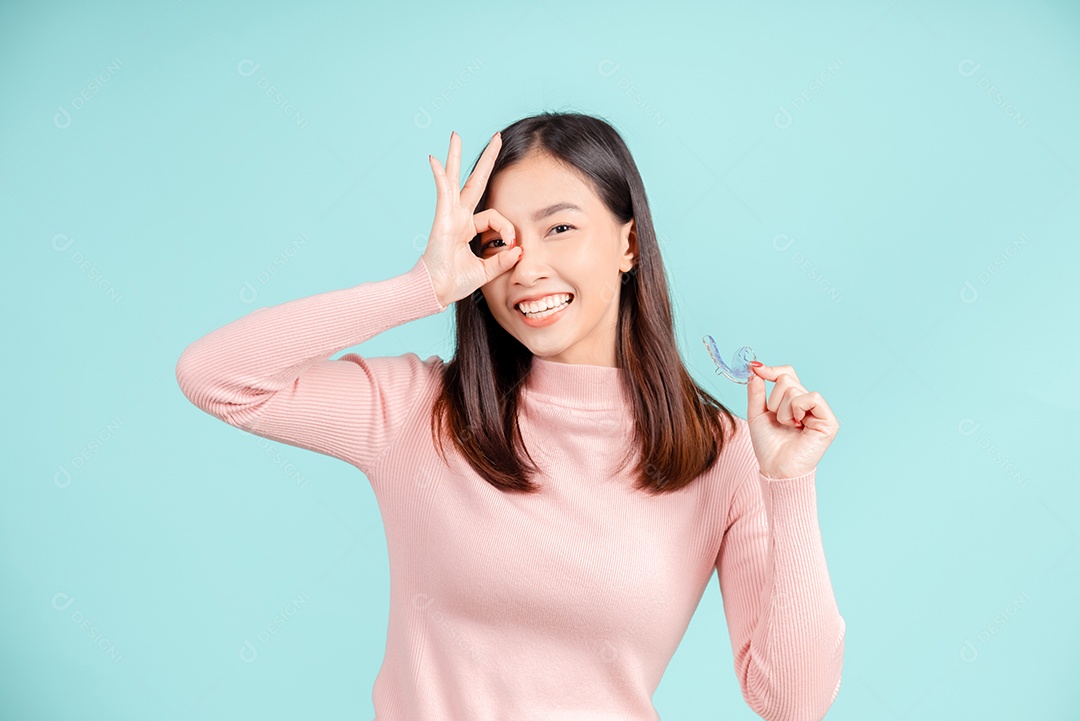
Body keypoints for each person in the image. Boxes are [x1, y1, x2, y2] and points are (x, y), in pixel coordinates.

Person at [175, 111, 845, 720]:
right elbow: (216, 377)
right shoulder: (418, 411)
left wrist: (787, 483)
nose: (528, 269)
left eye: (560, 227)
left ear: (629, 246)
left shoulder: (716, 450)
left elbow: (793, 700)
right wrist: (421, 288)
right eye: (501, 241)